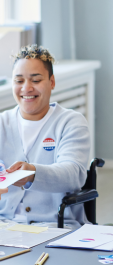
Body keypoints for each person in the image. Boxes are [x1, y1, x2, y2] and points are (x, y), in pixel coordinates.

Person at [0, 45, 90, 227]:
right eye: (19, 81)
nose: (26, 88)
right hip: (4, 225)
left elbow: (73, 175)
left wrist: (32, 173)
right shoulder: (2, 122)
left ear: (52, 82)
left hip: (53, 227)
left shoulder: (71, 122)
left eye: (36, 80)